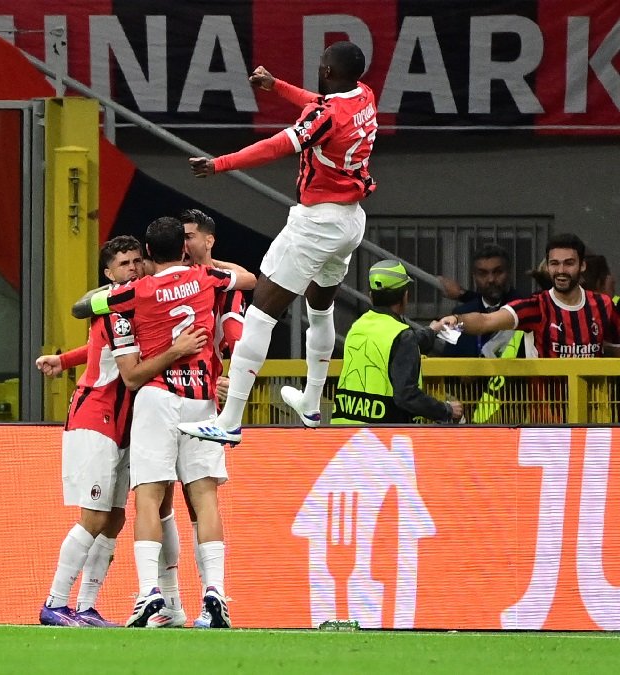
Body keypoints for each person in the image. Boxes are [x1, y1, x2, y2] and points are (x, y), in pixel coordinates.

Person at [180, 41, 379, 444]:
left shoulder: (324, 117)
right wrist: (277, 86)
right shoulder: (363, 95)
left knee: (260, 315)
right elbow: (322, 106)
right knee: (320, 310)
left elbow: (274, 146)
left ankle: (228, 421)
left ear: (327, 71)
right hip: (350, 221)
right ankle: (311, 402)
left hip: (316, 224)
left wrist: (219, 164)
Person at [73, 216, 238, 629]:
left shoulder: (135, 292)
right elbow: (252, 280)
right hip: (200, 397)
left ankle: (150, 593)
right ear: (184, 248)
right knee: (204, 499)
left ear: (147, 253)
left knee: (149, 498)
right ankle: (215, 594)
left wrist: (115, 288)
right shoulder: (208, 279)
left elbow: (83, 308)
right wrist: (209, 262)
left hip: (157, 398)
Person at [34, 235, 207, 627]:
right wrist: (177, 350)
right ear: (108, 274)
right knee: (94, 516)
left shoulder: (139, 305)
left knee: (114, 519)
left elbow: (98, 349)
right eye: (123, 264)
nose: (132, 268)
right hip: (95, 416)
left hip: (124, 424)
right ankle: (55, 602)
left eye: (136, 260)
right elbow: (125, 368)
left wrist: (64, 359)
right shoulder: (114, 307)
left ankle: (85, 606)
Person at [175, 208, 249, 628]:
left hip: (200, 402)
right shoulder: (164, 275)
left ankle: (212, 595)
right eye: (180, 236)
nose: (184, 243)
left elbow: (237, 337)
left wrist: (232, 383)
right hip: (155, 397)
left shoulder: (225, 284)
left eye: (190, 236)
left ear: (208, 240)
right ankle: (169, 602)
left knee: (199, 498)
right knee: (158, 499)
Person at [439, 234, 620, 359]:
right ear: (547, 267)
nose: (561, 270)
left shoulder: (603, 305)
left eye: (569, 263)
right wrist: (456, 320)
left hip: (592, 405)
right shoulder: (535, 306)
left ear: (582, 266)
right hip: (546, 404)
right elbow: (486, 321)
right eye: (554, 263)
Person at [329, 261, 462, 424]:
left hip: (345, 429)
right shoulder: (402, 336)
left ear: (371, 296)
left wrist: (432, 330)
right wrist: (446, 410)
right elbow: (407, 396)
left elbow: (393, 346)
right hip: (382, 433)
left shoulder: (358, 327)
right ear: (405, 296)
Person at [437, 245, 525, 357]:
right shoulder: (460, 313)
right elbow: (449, 359)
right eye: (483, 273)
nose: (491, 279)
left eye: (498, 272)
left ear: (509, 273)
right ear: (474, 277)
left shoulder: (525, 309)